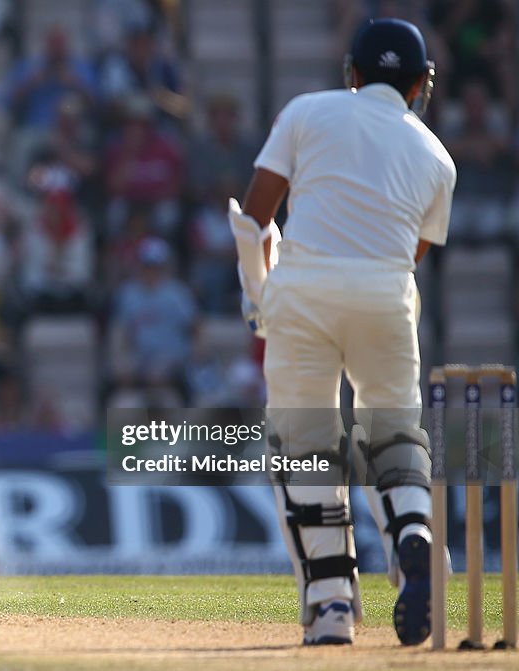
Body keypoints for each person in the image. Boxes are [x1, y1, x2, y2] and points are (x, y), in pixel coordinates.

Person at [229, 19, 456, 646]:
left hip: (303, 292)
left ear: (352, 74)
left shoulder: (308, 111)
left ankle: (330, 606)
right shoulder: (438, 156)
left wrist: (258, 297)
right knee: (392, 429)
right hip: (386, 293)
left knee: (305, 447)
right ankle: (413, 532)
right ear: (418, 85)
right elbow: (409, 255)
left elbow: (254, 218)